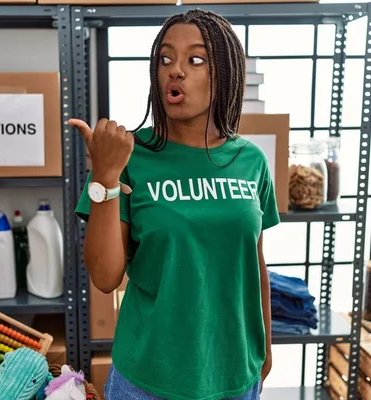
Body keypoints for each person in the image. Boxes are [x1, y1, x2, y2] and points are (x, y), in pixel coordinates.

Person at [68, 8, 279, 400]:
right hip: (147, 379)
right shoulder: (129, 155)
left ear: (226, 75)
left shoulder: (251, 161)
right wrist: (105, 176)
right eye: (166, 59)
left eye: (194, 60)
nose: (175, 70)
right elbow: (104, 276)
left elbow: (255, 263)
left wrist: (265, 350)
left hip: (235, 375)